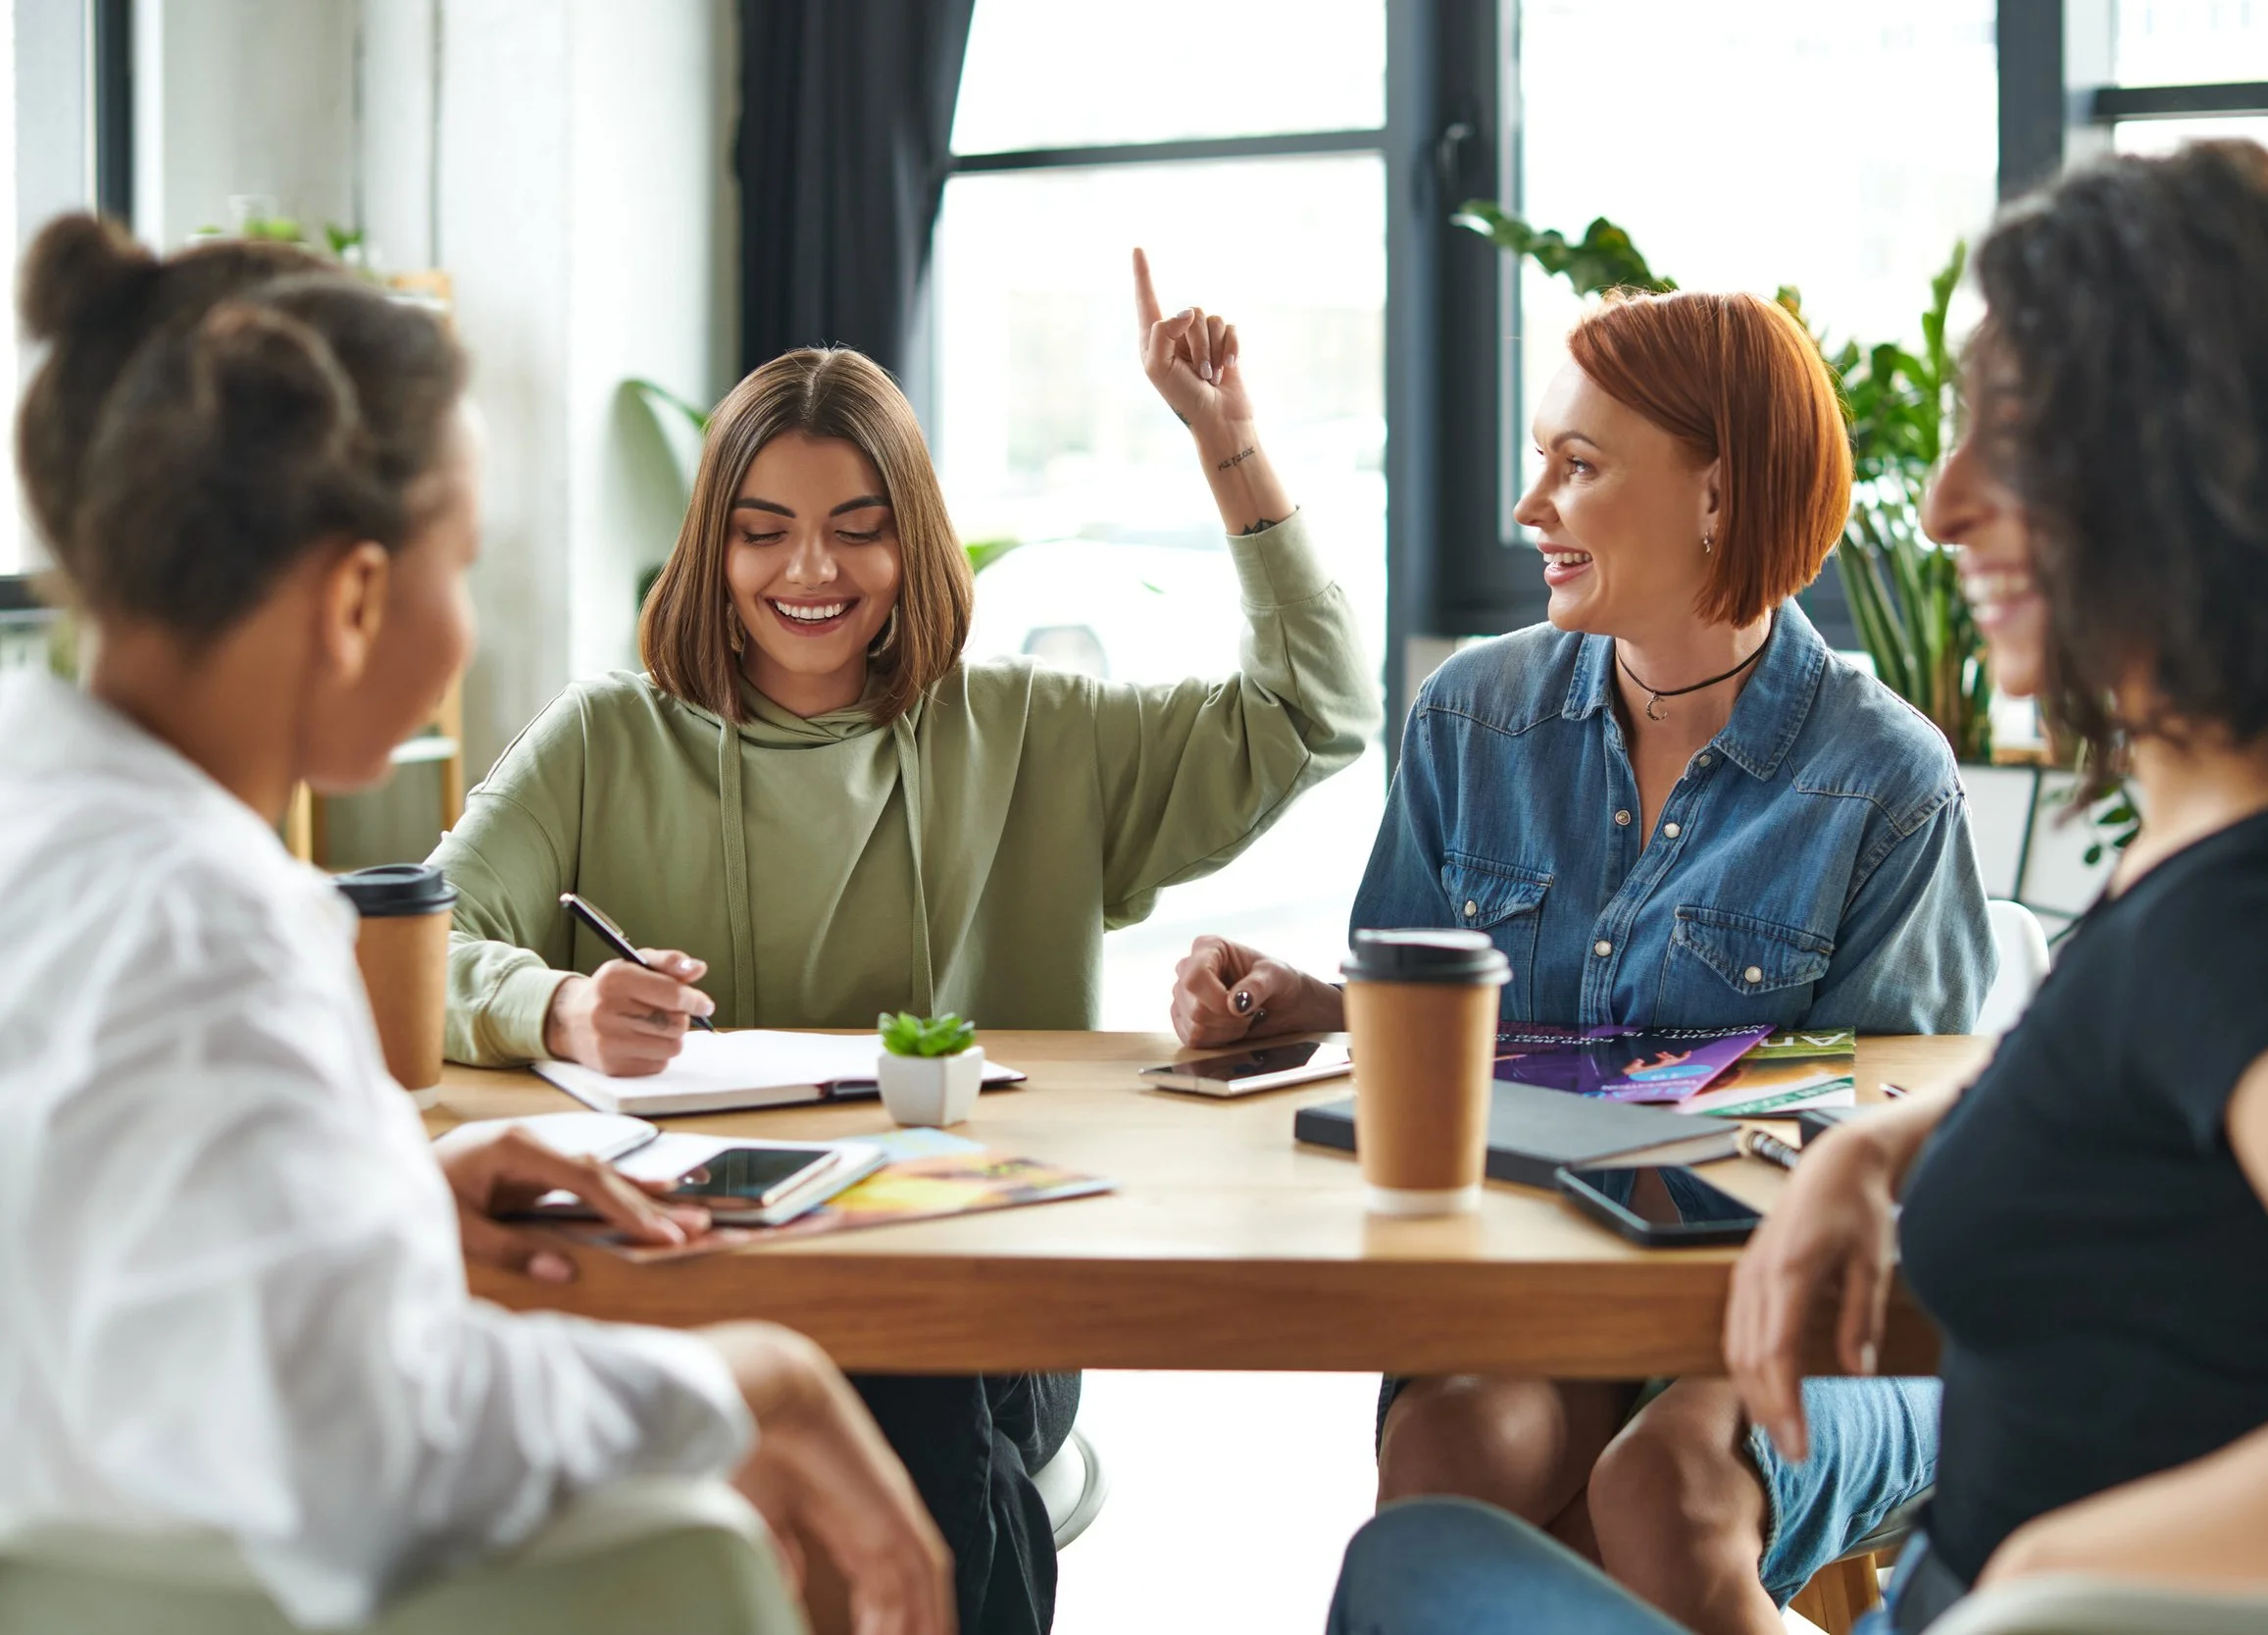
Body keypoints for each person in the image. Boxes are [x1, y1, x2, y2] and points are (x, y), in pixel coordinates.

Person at [1326, 138, 2268, 1635]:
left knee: (1409, 1576)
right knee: (1432, 1529)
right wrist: (1879, 1155)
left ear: (2211, 478)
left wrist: (2055, 1587)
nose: (1943, 507)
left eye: (2022, 442)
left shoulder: (2264, 926)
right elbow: (2120, 1079)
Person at [0, 215, 951, 1634]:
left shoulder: (53, 823)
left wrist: (382, 1193)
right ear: (359, 596)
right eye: (465, 560)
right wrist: (760, 1373)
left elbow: (102, 1253)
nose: (465, 618)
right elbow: (376, 1449)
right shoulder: (213, 926)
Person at [428, 250, 1374, 1633]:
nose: (810, 569)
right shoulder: (605, 740)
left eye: (856, 526)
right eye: (763, 529)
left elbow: (1314, 707)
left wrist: (1225, 441)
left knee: (902, 1367)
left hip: (982, 1289)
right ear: (713, 545)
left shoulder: (1035, 729)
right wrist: (560, 1003)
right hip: (706, 1267)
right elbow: (417, 934)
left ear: (913, 536)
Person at [1175, 290, 1991, 1629]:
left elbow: (1893, 1151)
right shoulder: (1471, 717)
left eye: (1577, 464)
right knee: (1450, 1458)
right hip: (1534, 1287)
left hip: (1793, 1315)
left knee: (1664, 1489)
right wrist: (1309, 1009)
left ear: (1718, 497)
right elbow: (1431, 1046)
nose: (1527, 506)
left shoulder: (1883, 780)